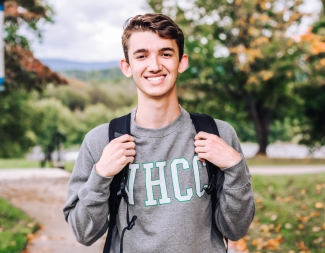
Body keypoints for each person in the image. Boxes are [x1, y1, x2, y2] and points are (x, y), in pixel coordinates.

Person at [63, 13, 255, 253]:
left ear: (181, 62)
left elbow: (236, 229)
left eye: (165, 54)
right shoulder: (100, 141)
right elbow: (83, 233)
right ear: (127, 66)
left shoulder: (218, 134)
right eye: (141, 56)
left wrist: (235, 168)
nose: (154, 66)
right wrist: (101, 175)